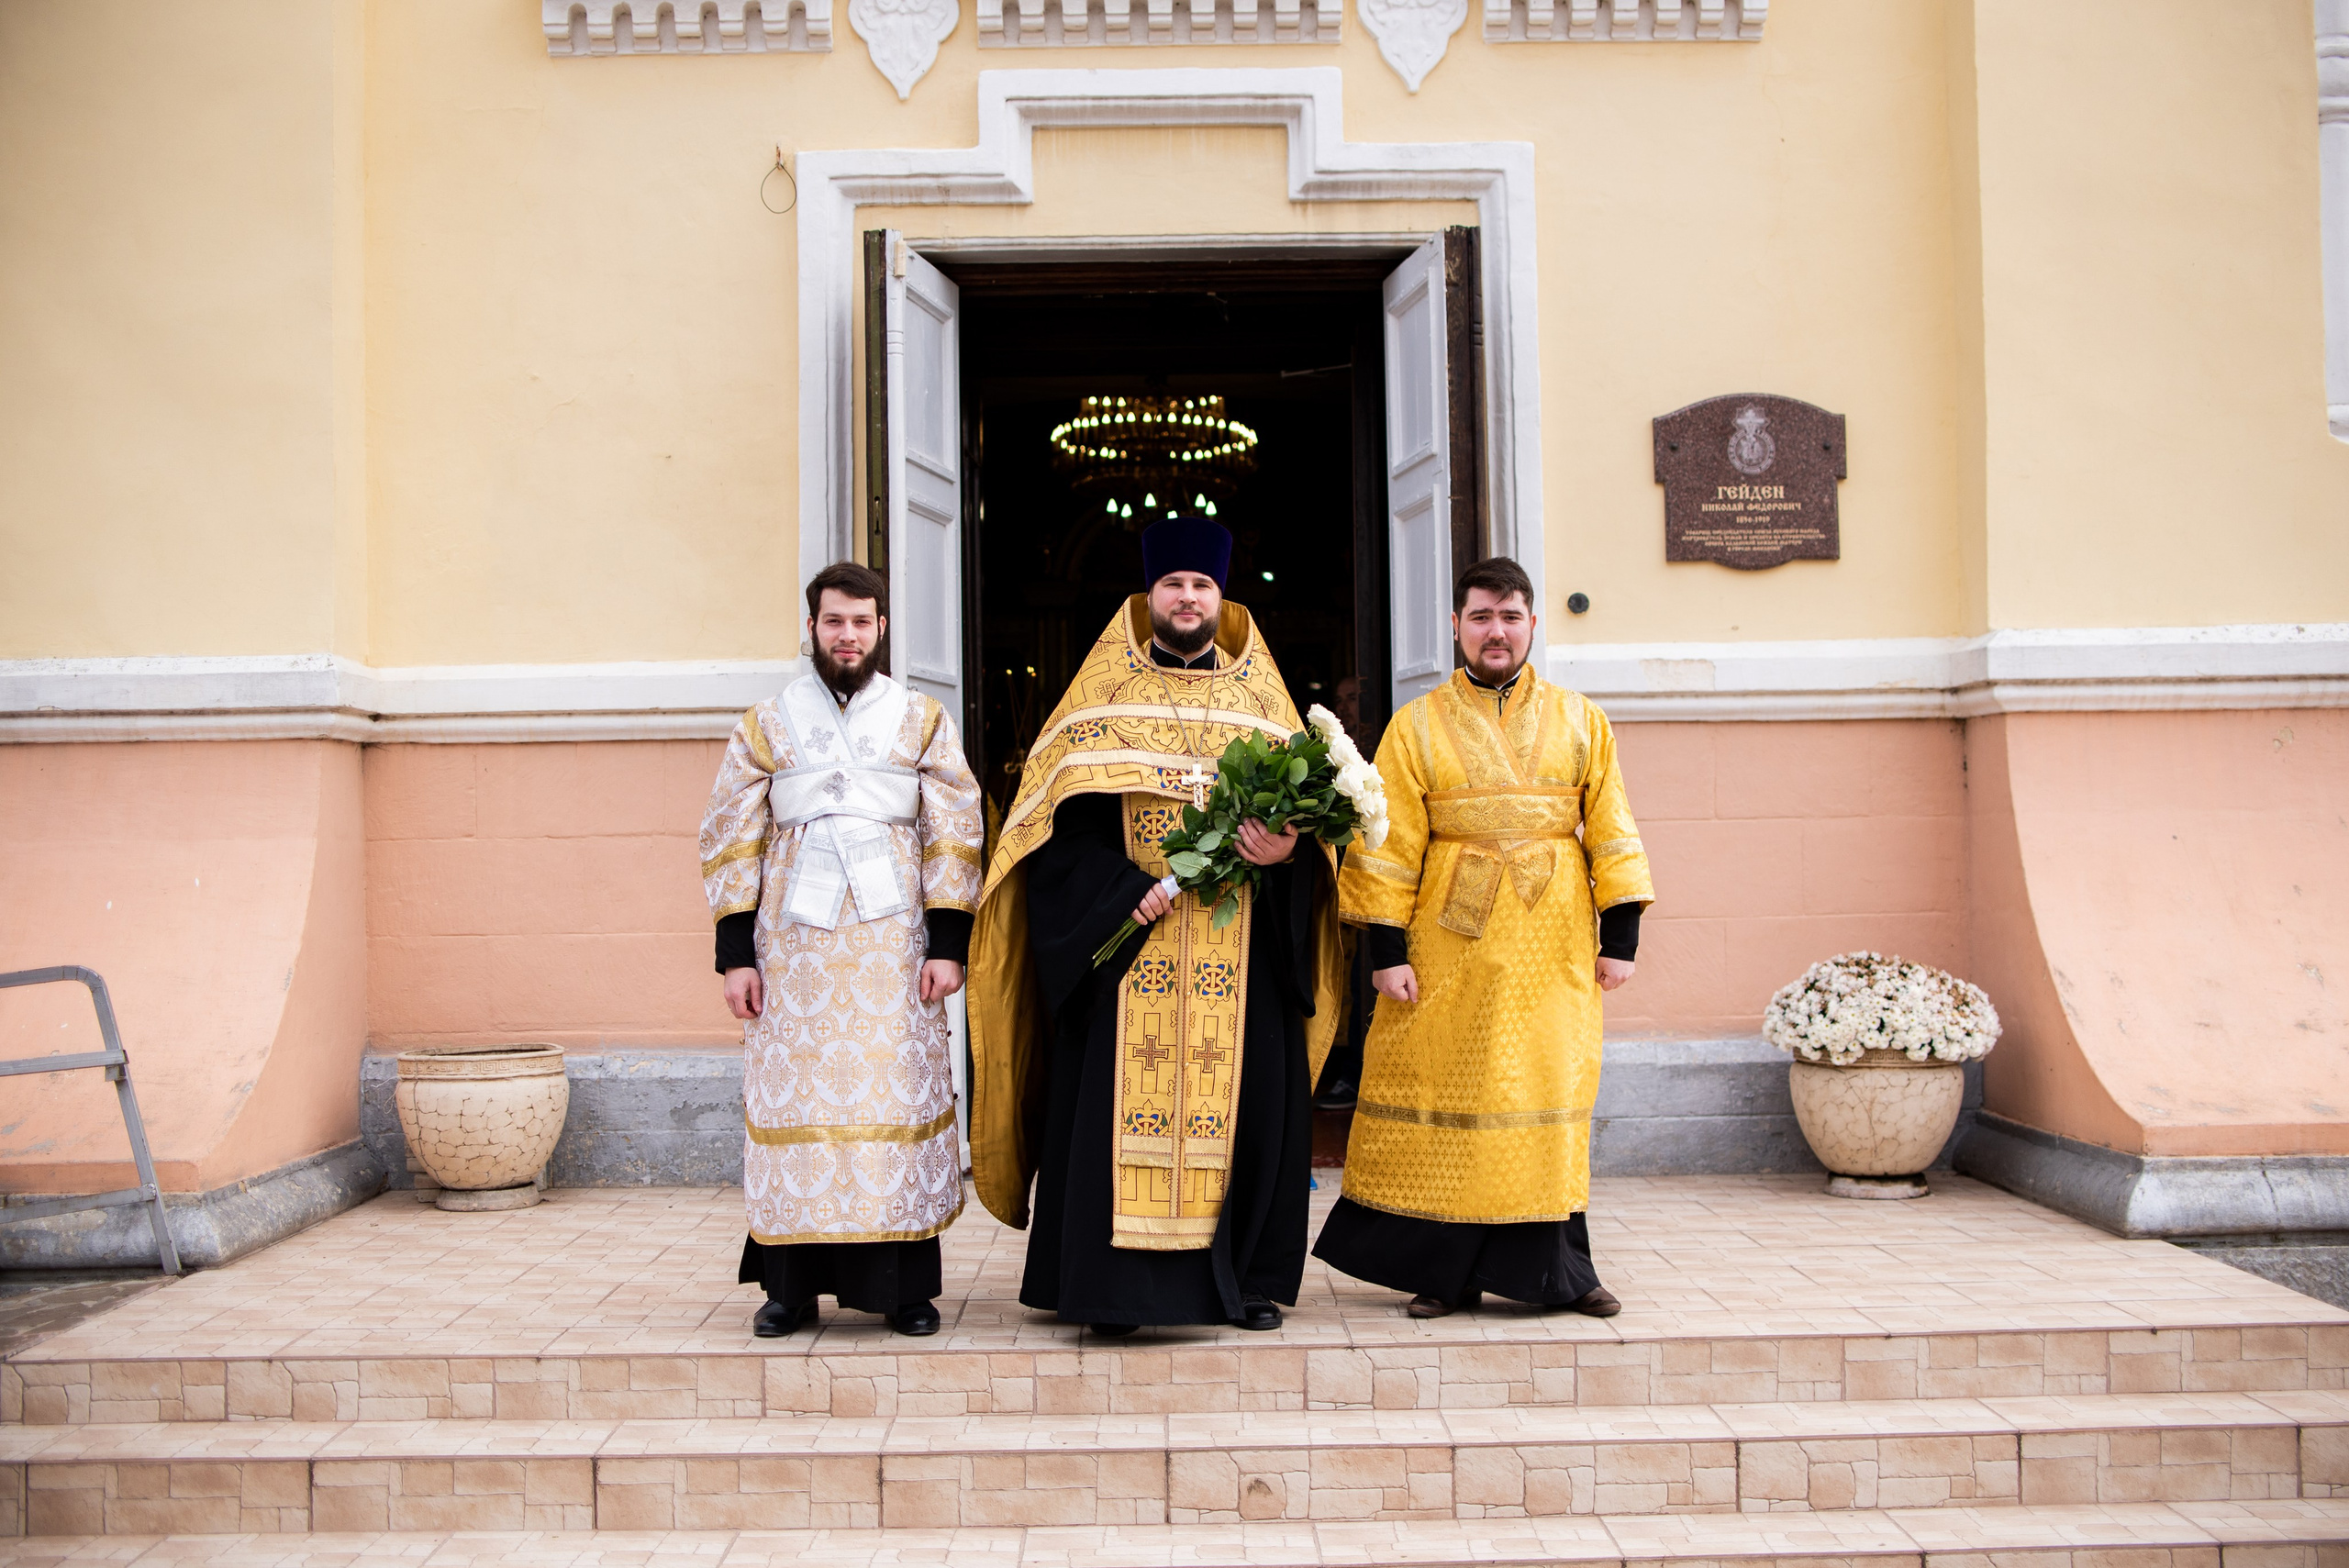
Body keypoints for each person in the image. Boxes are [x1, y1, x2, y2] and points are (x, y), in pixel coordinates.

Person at [963, 516, 1345, 1335]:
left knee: (1242, 1110)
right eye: (1172, 584)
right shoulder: (1097, 703)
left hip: (1242, 951)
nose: (1186, 597)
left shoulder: (1265, 708)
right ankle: (1114, 1292)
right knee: (1108, 1113)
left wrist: (1285, 852)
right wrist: (1116, 893)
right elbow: (1055, 835)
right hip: (1129, 949)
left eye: (1201, 585)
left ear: (1222, 598)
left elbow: (1314, 850)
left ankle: (1238, 1282)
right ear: (1148, 598)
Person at [1313, 556, 1653, 1319]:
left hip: (1554, 941)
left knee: (1547, 1093)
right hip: (1445, 945)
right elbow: (1385, 842)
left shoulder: (1580, 718)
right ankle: (1445, 1273)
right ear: (1458, 627)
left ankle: (1562, 1270)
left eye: (1509, 616)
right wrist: (1386, 954)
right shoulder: (1417, 722)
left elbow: (1611, 824)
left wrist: (1620, 934)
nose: (1495, 631)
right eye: (1480, 617)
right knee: (1449, 1097)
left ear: (1532, 623)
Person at [698, 561, 985, 1338]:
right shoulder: (766, 723)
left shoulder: (922, 718)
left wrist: (948, 942)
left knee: (890, 1103)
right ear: (813, 627)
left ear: (882, 627)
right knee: (799, 1104)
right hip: (791, 957)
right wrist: (736, 955)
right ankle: (789, 1289)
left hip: (895, 954)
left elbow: (954, 829)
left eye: (862, 622)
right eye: (834, 622)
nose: (848, 635)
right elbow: (731, 835)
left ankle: (906, 1290)